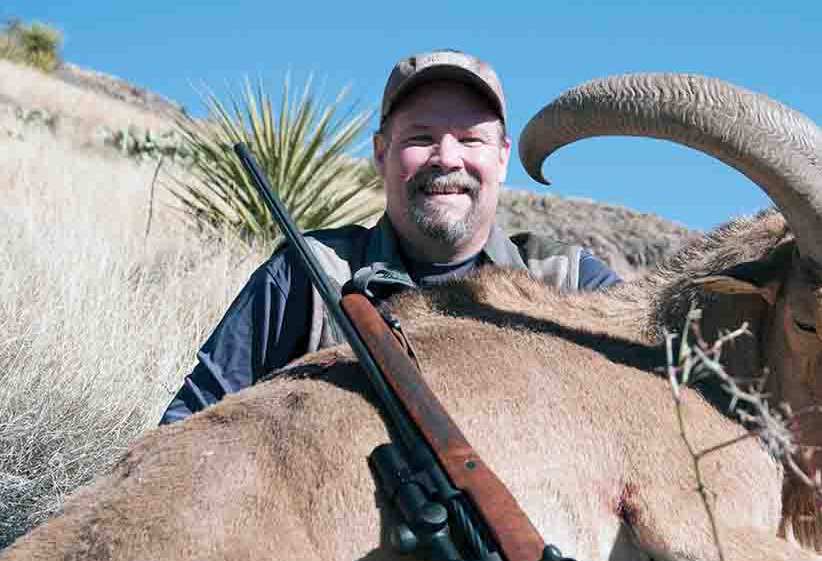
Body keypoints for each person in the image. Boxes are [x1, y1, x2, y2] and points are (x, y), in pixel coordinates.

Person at [160, 49, 621, 425]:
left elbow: (675, 385)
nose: (446, 157)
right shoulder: (308, 276)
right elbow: (185, 431)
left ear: (501, 158)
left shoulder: (568, 283)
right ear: (382, 153)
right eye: (421, 138)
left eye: (470, 139)